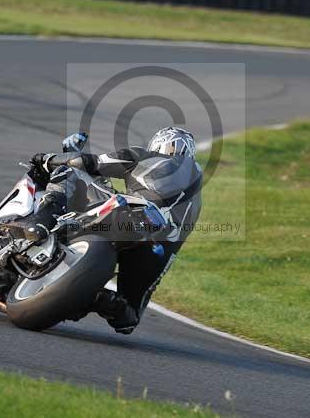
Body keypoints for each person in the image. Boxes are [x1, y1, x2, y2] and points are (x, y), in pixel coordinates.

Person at [21, 127, 203, 334]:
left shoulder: (145, 157)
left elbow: (90, 163)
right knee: (129, 317)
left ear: (158, 145)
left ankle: (41, 220)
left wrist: (46, 159)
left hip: (129, 214)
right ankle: (103, 300)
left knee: (70, 171)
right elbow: (175, 244)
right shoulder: (197, 203)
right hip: (157, 248)